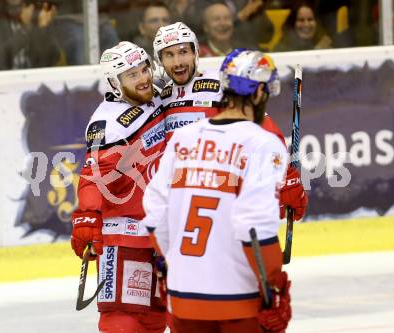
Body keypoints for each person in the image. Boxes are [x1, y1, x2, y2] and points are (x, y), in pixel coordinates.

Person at [143, 48, 292, 333]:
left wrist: (172, 265)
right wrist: (273, 282)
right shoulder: (262, 142)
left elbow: (154, 210)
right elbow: (254, 225)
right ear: (259, 92)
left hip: (183, 297)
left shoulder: (185, 137)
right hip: (238, 298)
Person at [153, 21, 308, 223]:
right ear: (160, 60)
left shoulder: (221, 85)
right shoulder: (160, 99)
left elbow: (264, 130)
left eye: (183, 52)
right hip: (183, 204)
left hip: (227, 199)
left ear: (195, 53)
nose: (177, 62)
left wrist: (285, 176)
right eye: (169, 55)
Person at [70, 41, 166, 333]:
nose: (143, 78)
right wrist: (88, 216)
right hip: (124, 238)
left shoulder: (160, 96)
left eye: (144, 69)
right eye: (132, 75)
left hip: (165, 234)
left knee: (156, 319)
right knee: (123, 321)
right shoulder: (108, 123)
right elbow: (93, 176)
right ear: (115, 82)